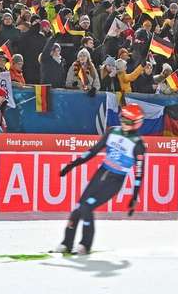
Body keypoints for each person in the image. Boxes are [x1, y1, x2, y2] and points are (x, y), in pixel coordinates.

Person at [54, 104, 146, 255]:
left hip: (115, 180)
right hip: (101, 173)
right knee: (78, 208)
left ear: (136, 123)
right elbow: (93, 151)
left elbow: (139, 173)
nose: (123, 123)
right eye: (122, 119)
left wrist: (134, 196)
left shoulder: (137, 144)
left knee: (87, 207)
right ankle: (66, 243)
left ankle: (85, 245)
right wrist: (72, 165)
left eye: (128, 122)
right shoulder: (112, 132)